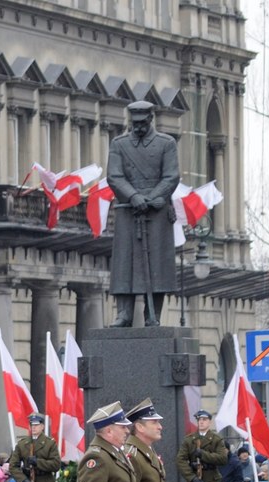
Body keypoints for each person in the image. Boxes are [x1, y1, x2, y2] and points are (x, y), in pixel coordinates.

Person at [106, 100, 180, 327]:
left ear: (151, 119)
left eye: (142, 123)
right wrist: (133, 196)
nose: (137, 127)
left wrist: (151, 198)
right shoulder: (119, 144)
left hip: (156, 211)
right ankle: (124, 313)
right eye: (134, 123)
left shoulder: (166, 144)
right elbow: (114, 176)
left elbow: (171, 176)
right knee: (124, 263)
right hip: (129, 210)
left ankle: (153, 314)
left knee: (157, 265)